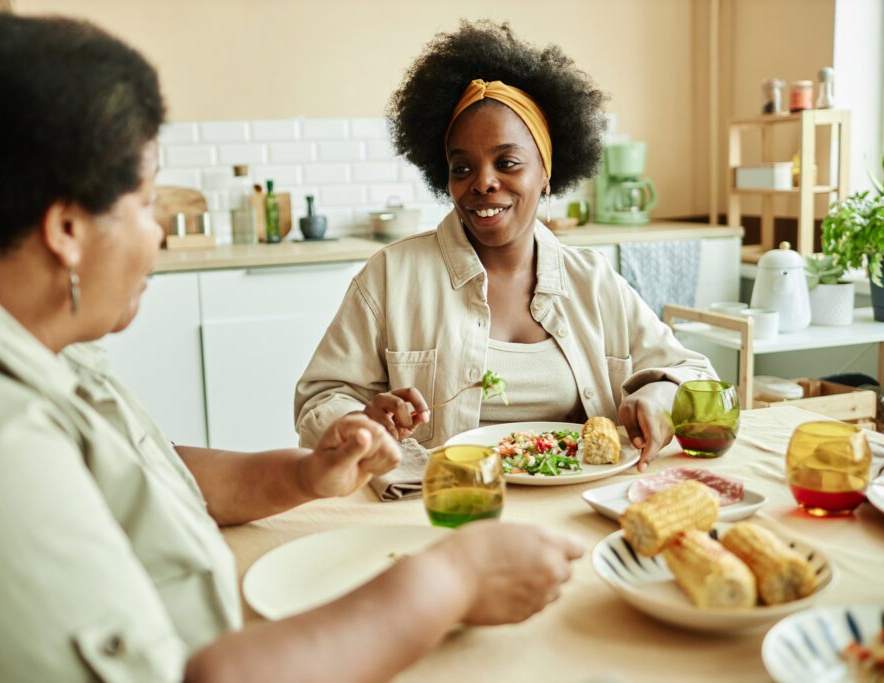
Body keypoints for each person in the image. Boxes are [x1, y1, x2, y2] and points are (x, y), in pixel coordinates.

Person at [0, 12, 584, 683]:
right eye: (147, 204)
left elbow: (141, 468)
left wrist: (303, 474)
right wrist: (445, 580)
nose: (160, 234)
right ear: (66, 231)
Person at [295, 21, 716, 470]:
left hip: (576, 507)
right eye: (462, 168)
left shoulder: (592, 281)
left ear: (547, 173)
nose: (483, 182)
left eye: (508, 162)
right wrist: (363, 421)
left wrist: (660, 393)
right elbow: (318, 403)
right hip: (447, 510)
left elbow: (695, 374)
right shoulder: (390, 276)